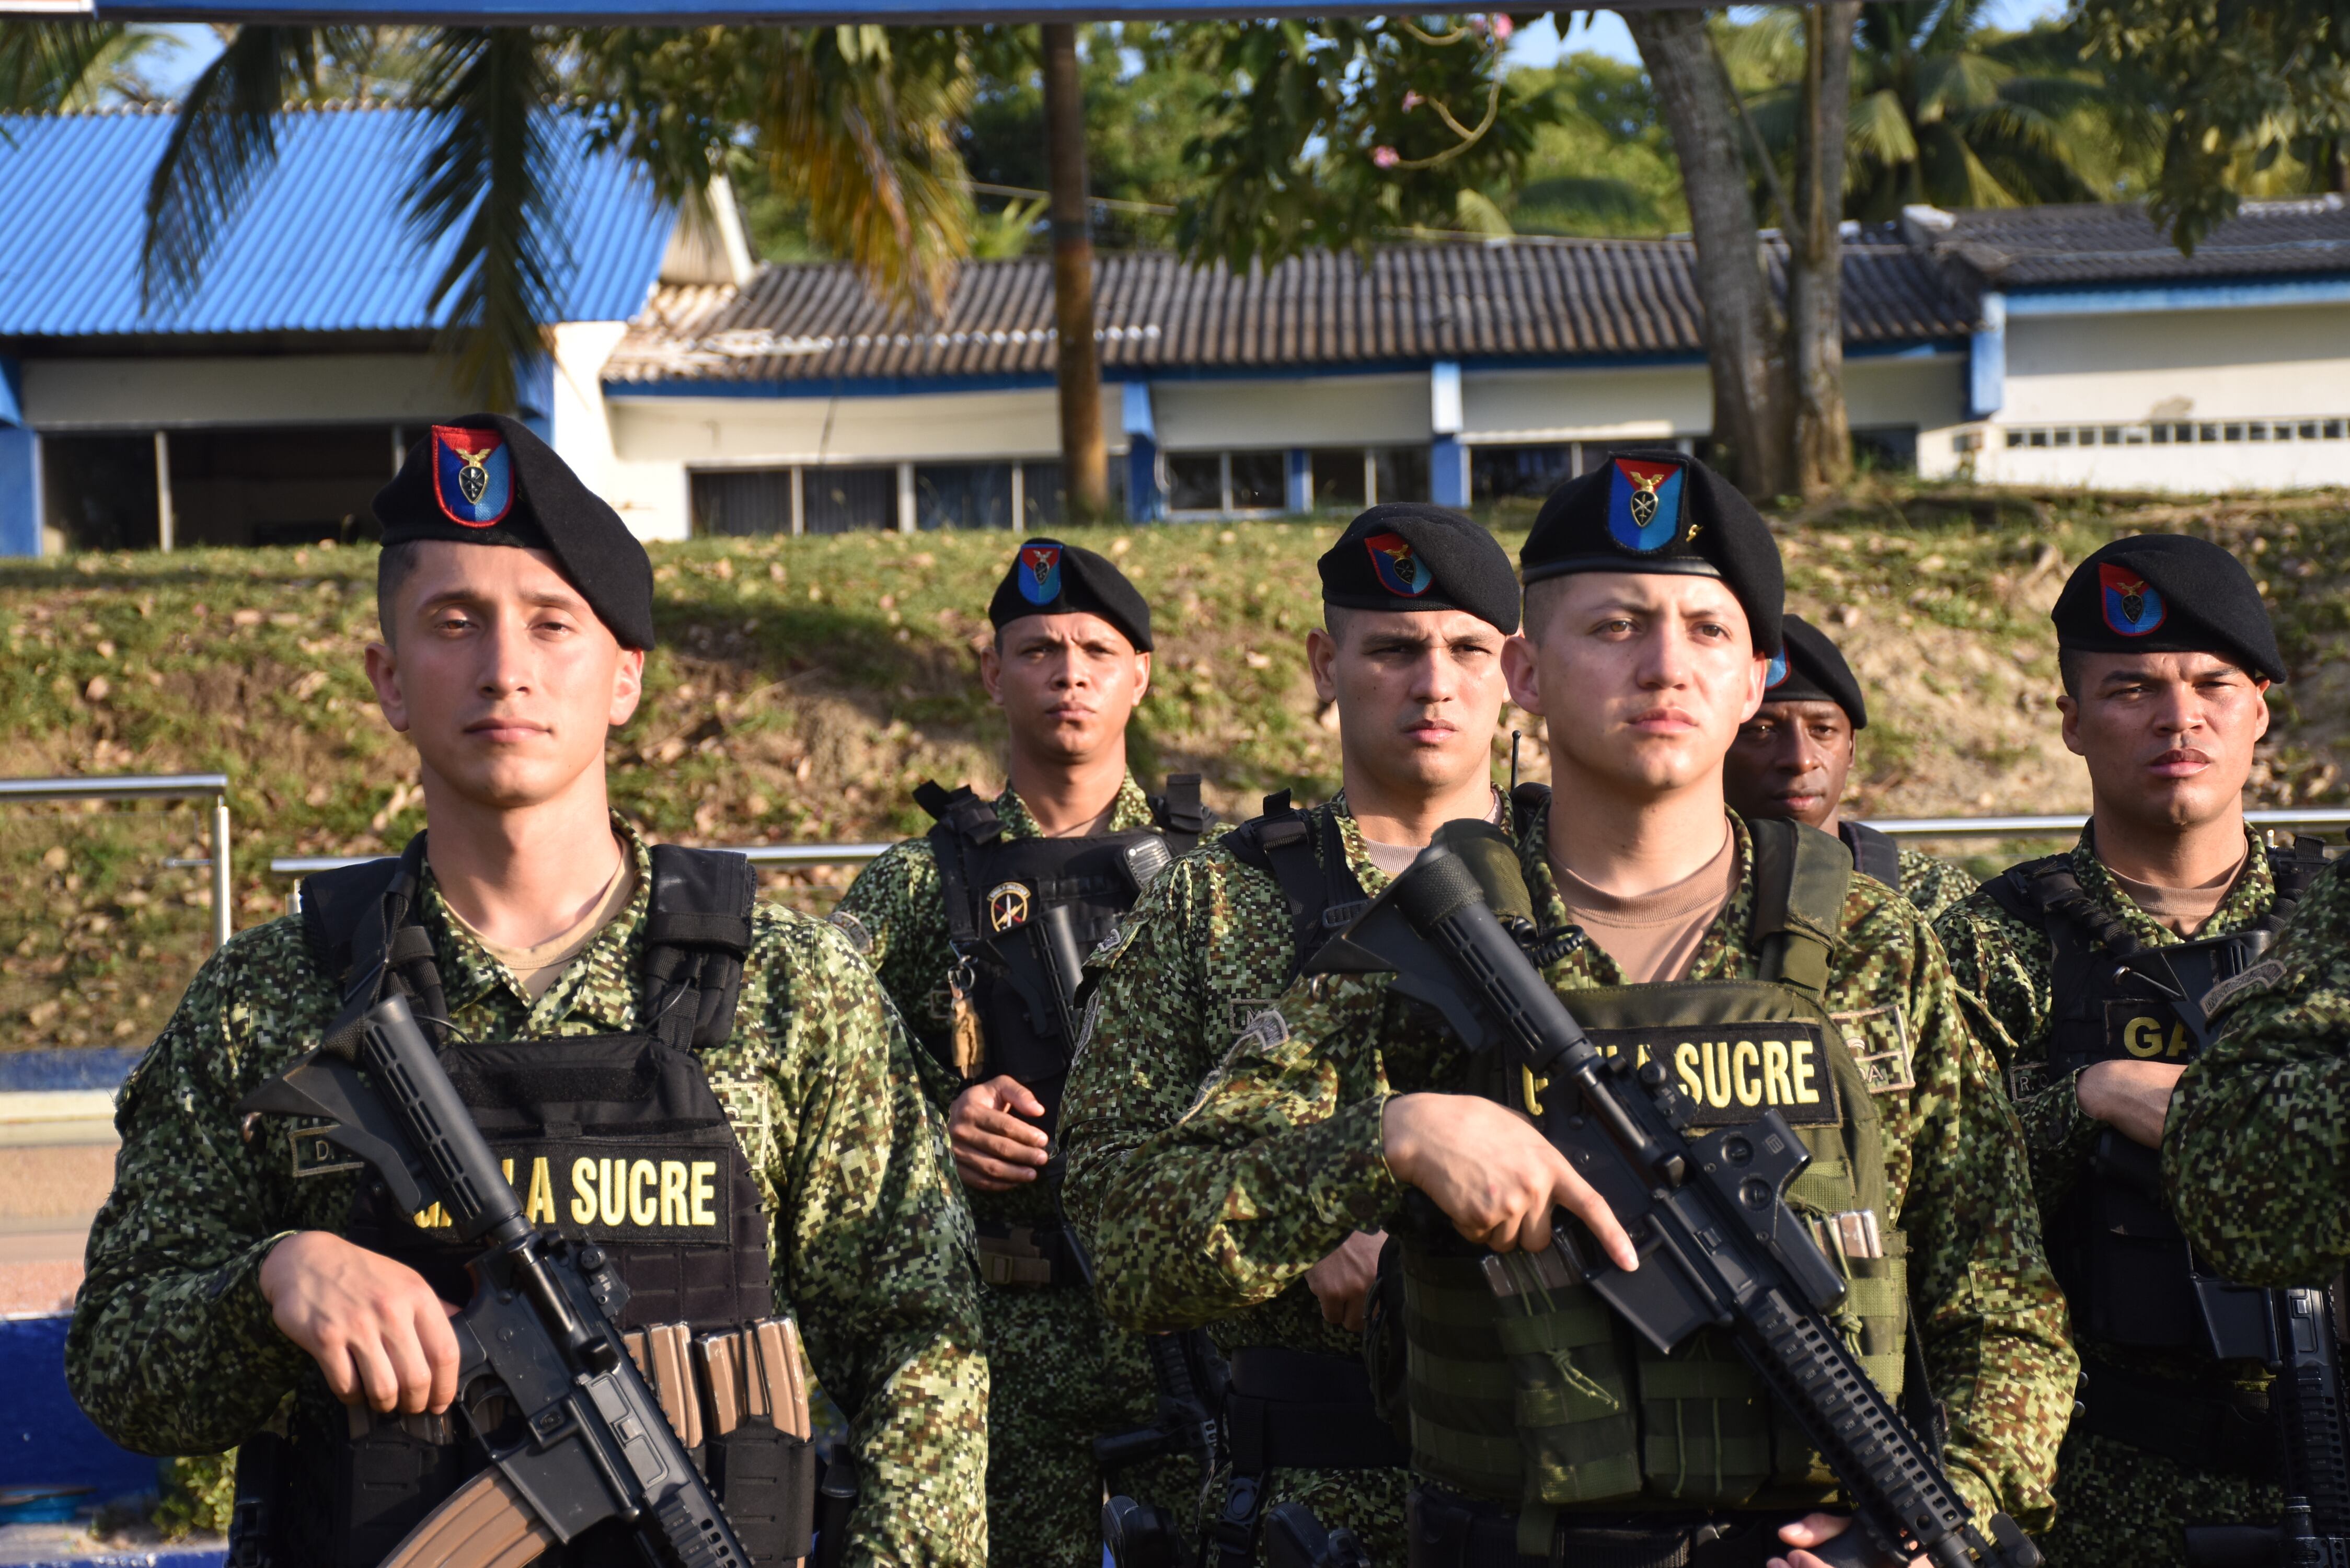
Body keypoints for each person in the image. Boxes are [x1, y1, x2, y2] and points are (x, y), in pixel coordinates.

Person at [1080, 449, 2074, 1568]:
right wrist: (1389, 1139)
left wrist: (1948, 1511)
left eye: (1707, 630)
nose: (1664, 667)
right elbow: (1132, 1245)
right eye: (1612, 627)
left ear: (1756, 678)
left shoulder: (1870, 949)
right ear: (1528, 673)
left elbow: (2003, 1302)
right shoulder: (1427, 951)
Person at [63, 415, 987, 1566]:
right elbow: (117, 1365)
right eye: (456, 625)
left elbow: (923, 1347)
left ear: (624, 676)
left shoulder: (793, 990)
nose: (506, 668)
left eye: (554, 625)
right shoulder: (272, 998)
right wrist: (272, 1284)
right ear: (390, 680)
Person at [1062, 503, 1525, 1566]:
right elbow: (1113, 1228)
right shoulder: (1216, 902)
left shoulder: (1584, 885)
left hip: (1567, 1497)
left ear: (1518, 671)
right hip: (1314, 1499)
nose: (1435, 683)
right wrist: (1306, 1215)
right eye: (1395, 650)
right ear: (1326, 664)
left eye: (1467, 650)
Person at [1934, 534, 2321, 1568]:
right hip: (2094, 1488)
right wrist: (2090, 1097)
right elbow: (1925, 1183)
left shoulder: (2330, 931)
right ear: (2070, 721)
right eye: (2131, 688)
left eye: (2211, 684)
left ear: (2259, 712)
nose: (2179, 716)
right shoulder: (1990, 942)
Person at [827, 539, 1213, 1567]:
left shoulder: (1216, 877)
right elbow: (815, 1056)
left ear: (1140, 674)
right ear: (993, 673)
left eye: (1096, 649)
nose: (1070, 672)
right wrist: (932, 1126)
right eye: (1038, 649)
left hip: (1183, 1332)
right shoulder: (922, 881)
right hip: (995, 1339)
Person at [1722, 613, 1976, 920]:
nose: (1800, 759)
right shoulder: (1675, 892)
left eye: (1823, 730)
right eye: (1762, 731)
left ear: (1852, 747)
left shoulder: (1936, 898)